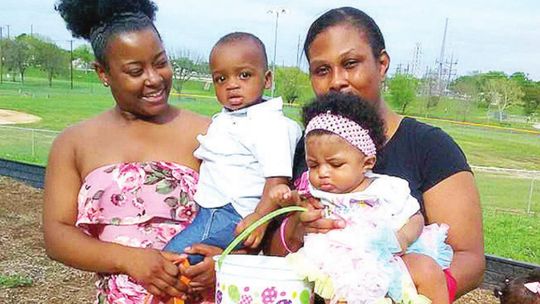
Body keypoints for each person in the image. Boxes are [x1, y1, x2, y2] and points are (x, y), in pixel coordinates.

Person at [266, 6, 485, 303]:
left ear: (382, 64)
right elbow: (273, 254)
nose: (336, 81)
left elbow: (469, 258)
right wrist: (294, 229)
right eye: (322, 70)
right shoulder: (306, 149)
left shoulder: (431, 148)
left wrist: (401, 290)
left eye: (351, 63)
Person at [44, 0, 218, 302]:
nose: (154, 78)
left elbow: (244, 215)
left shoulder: (208, 133)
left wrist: (224, 262)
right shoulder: (73, 142)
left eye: (160, 62)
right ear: (103, 73)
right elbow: (57, 236)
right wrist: (130, 259)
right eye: (135, 70)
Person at [272, 92, 452, 303]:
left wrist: (403, 237)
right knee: (316, 284)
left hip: (384, 259)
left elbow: (415, 217)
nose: (322, 172)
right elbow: (298, 203)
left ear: (367, 163)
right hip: (333, 261)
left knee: (428, 270)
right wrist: (287, 198)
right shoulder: (313, 189)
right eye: (313, 165)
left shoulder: (386, 189)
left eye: (336, 164)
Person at [164, 32, 302, 265]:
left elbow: (276, 180)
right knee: (187, 264)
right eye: (221, 79)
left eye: (244, 75)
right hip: (210, 210)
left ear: (266, 79)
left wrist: (259, 219)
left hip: (233, 213)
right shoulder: (228, 117)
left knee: (171, 260)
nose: (232, 86)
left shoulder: (272, 124)